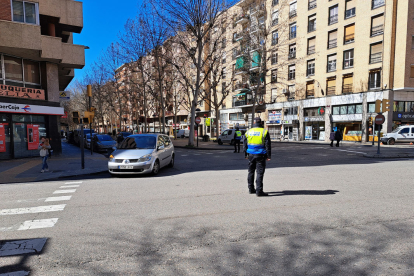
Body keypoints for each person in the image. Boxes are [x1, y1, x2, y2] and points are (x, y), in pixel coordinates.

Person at [243, 117, 271, 197]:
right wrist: (268, 156)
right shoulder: (264, 132)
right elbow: (267, 145)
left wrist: (245, 155)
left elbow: (244, 145)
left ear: (253, 123)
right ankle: (259, 191)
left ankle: (251, 189)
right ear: (261, 123)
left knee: (251, 172)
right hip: (260, 155)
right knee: (259, 173)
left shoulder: (248, 132)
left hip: (251, 155)